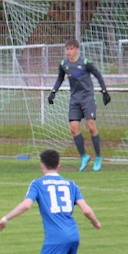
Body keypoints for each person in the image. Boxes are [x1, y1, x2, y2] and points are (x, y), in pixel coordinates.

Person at [48, 39, 110, 172]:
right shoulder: (64, 64)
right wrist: (53, 92)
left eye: (71, 49)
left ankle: (98, 157)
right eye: (67, 49)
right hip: (74, 99)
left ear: (77, 50)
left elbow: (98, 75)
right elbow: (60, 78)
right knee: (73, 128)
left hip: (88, 98)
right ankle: (84, 156)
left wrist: (104, 91)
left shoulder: (85, 63)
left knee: (91, 126)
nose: (68, 52)